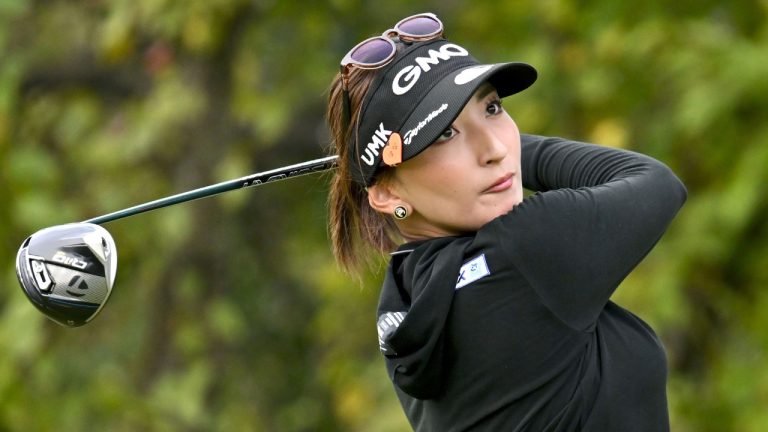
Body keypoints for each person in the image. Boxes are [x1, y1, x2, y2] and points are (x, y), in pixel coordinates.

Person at [326, 12, 687, 432]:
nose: (493, 147)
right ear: (389, 194)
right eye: (444, 133)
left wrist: (490, 151)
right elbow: (657, 184)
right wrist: (515, 157)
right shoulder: (527, 250)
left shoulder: (405, 297)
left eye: (492, 108)